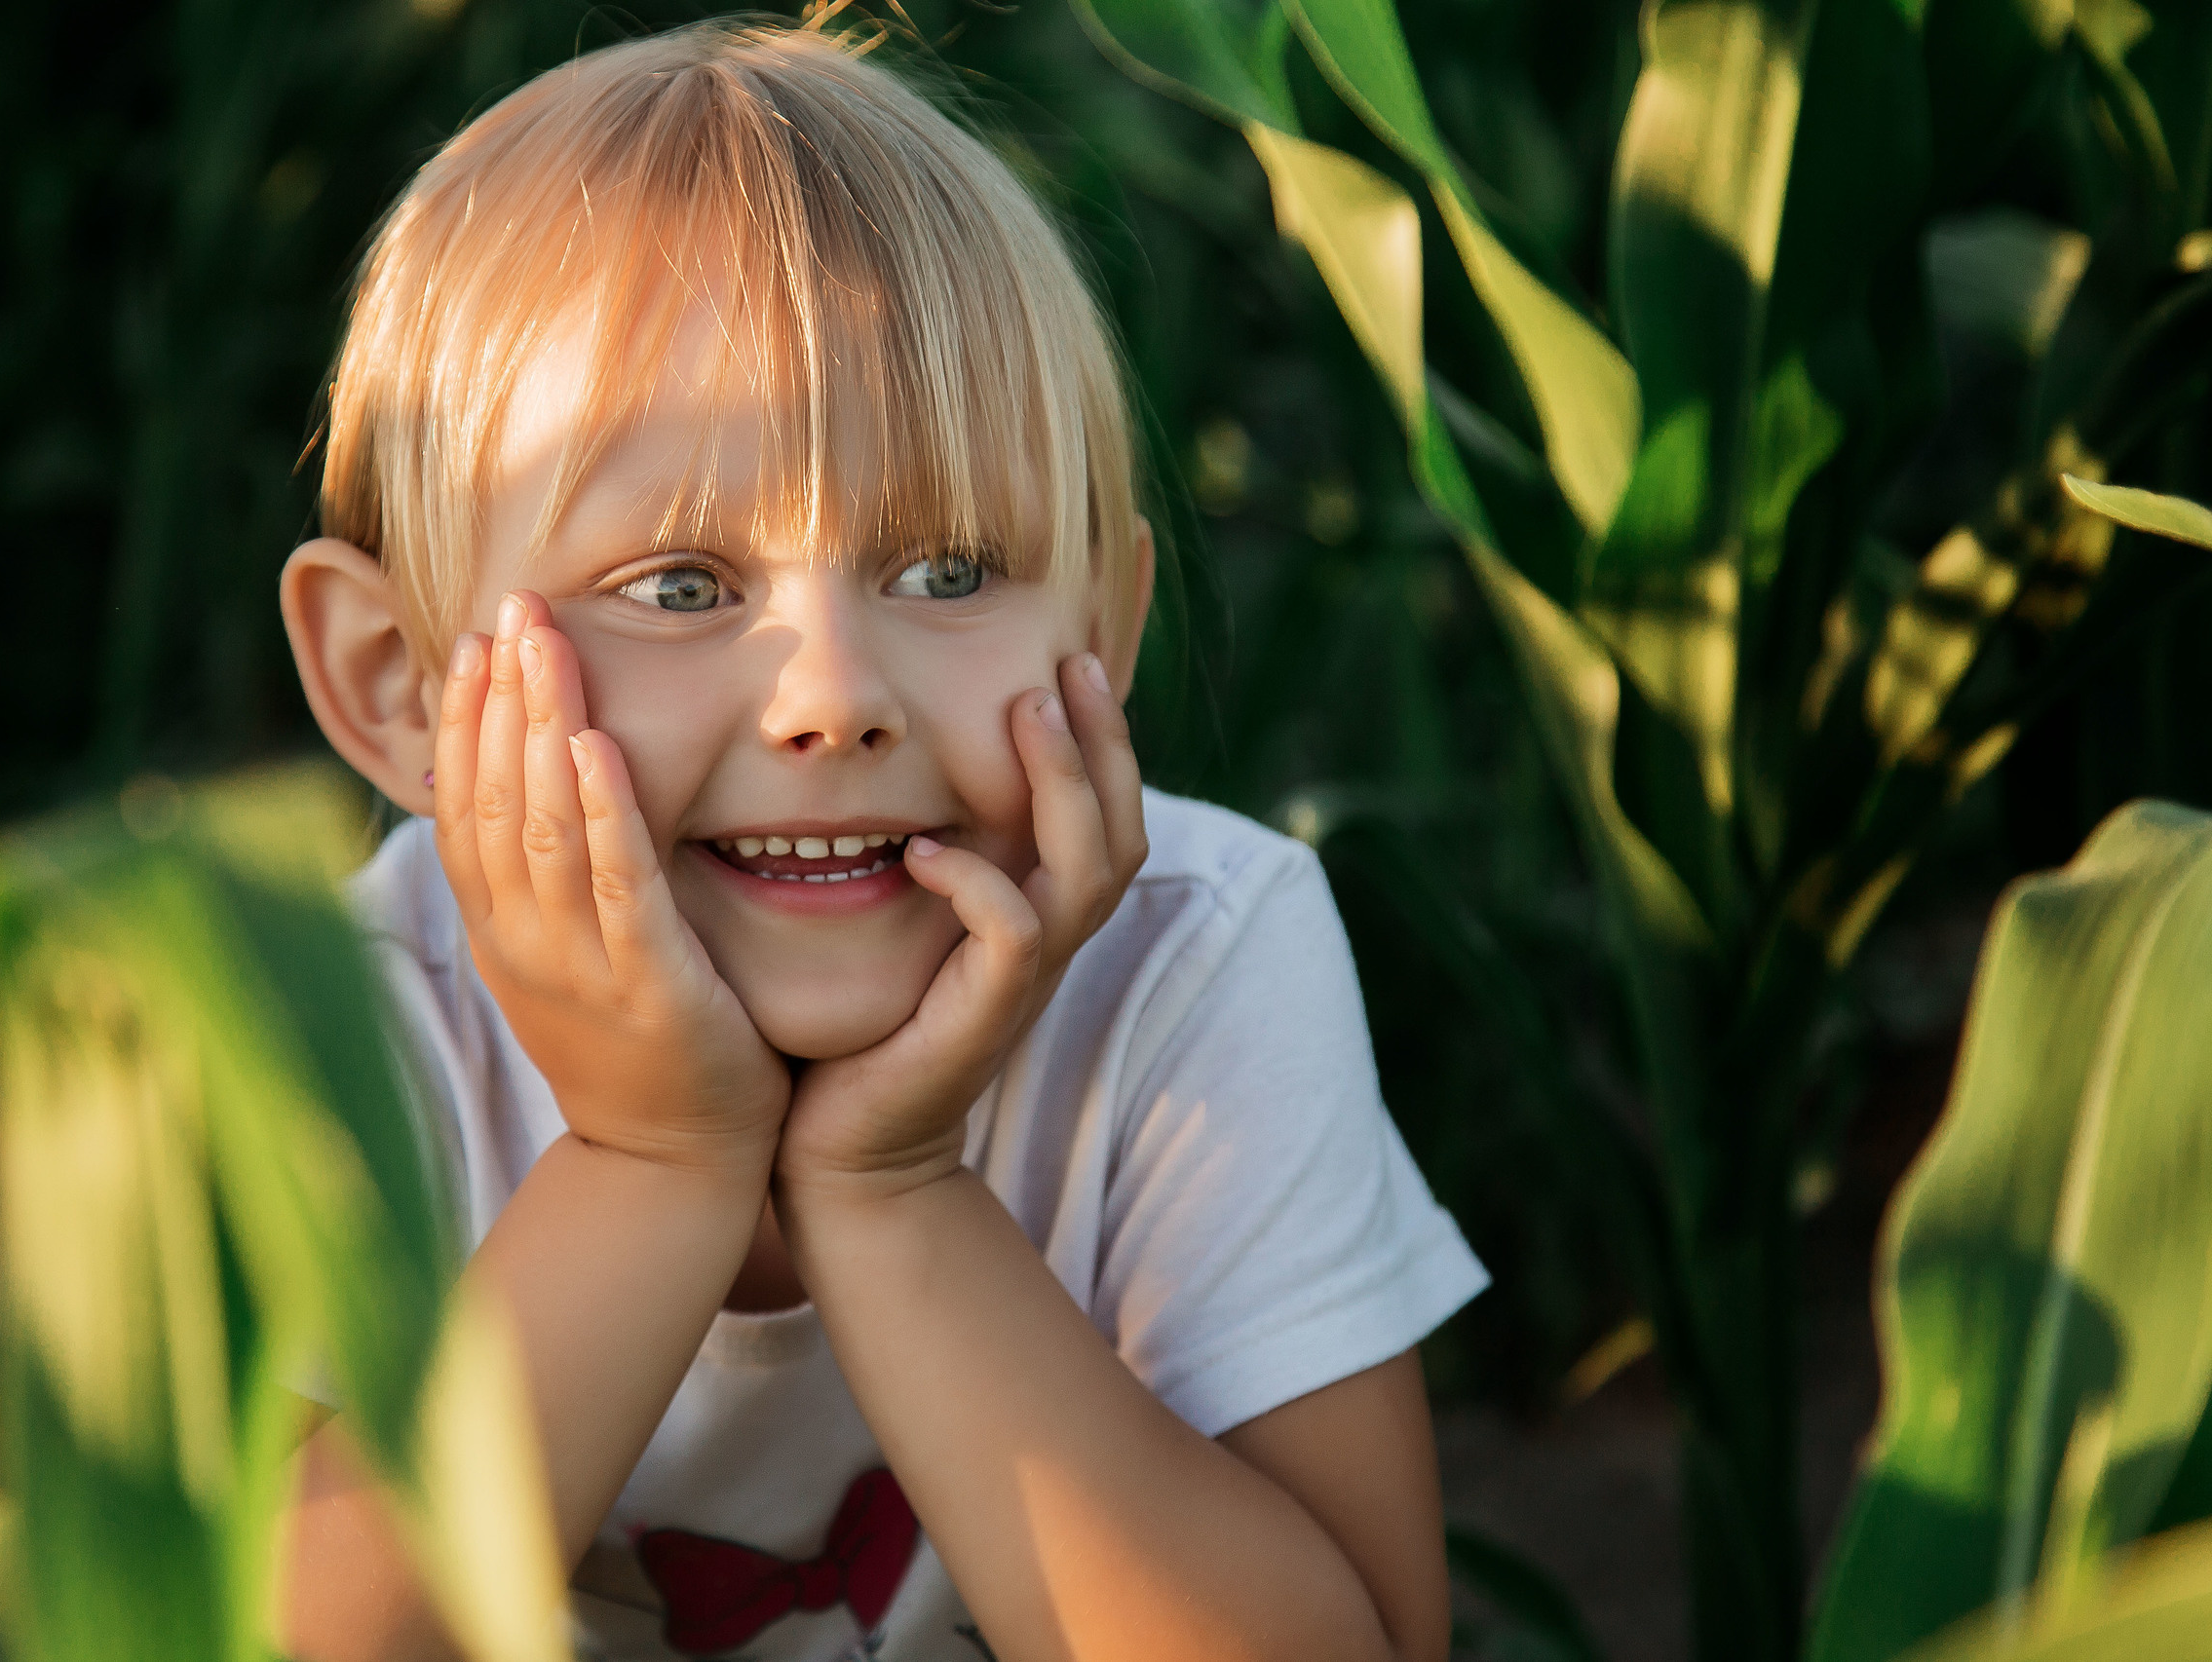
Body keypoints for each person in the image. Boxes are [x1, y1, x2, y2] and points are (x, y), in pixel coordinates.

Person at [276, 21, 1486, 1662]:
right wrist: (653, 1163)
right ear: (397, 685)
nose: (836, 698)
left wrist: (890, 1188)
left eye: (949, 572)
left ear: (1106, 632)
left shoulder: (1199, 959)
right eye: (680, 587)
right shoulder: (332, 1032)